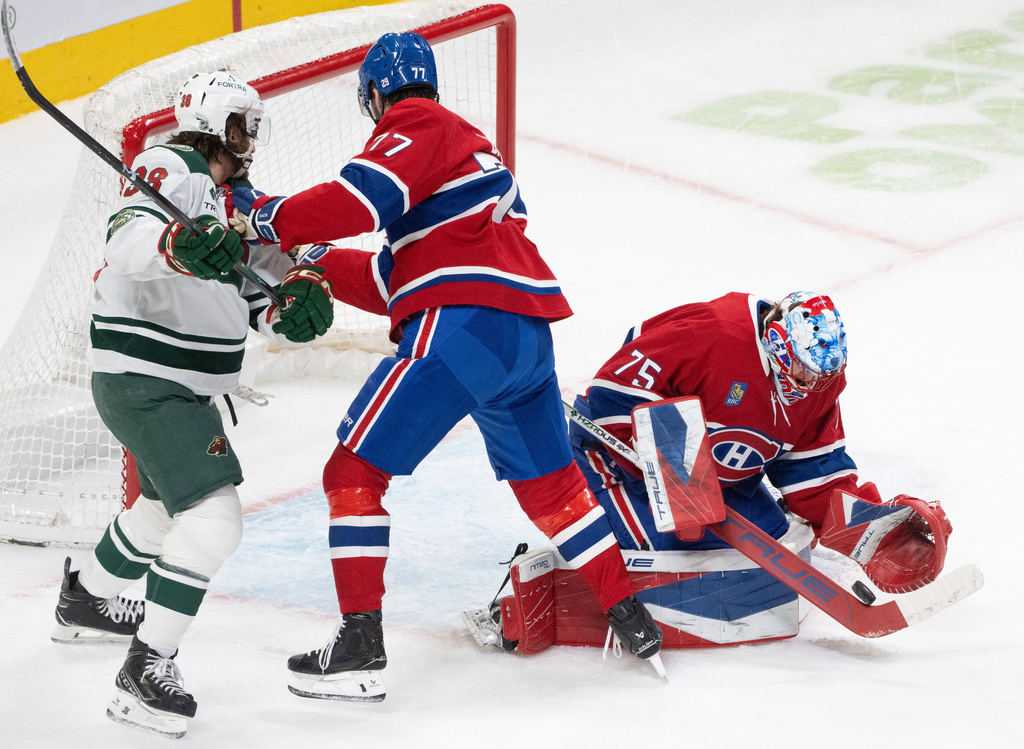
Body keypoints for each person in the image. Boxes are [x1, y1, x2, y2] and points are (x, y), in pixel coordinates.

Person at [231, 32, 662, 701]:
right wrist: (306, 256)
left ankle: (360, 646)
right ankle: (629, 614)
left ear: (376, 95)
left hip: (466, 326)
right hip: (525, 340)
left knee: (352, 472)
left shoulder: (417, 124)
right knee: (553, 491)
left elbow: (355, 203)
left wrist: (263, 215)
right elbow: (390, 278)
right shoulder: (468, 155)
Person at [51, 71, 334, 738]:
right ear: (217, 122)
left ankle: (86, 600)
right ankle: (146, 670)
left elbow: (259, 289)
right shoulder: (169, 163)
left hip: (171, 386)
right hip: (148, 379)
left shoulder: (241, 204)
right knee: (214, 519)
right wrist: (175, 243)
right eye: (244, 122)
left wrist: (294, 300)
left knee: (156, 511)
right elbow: (125, 242)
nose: (252, 138)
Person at [536, 291, 951, 648]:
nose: (813, 385)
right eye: (805, 370)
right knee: (669, 556)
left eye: (823, 375)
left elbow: (814, 470)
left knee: (767, 552)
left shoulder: (821, 382)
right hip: (618, 464)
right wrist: (665, 459)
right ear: (778, 343)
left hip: (722, 483)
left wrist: (868, 528)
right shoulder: (712, 332)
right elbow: (612, 391)